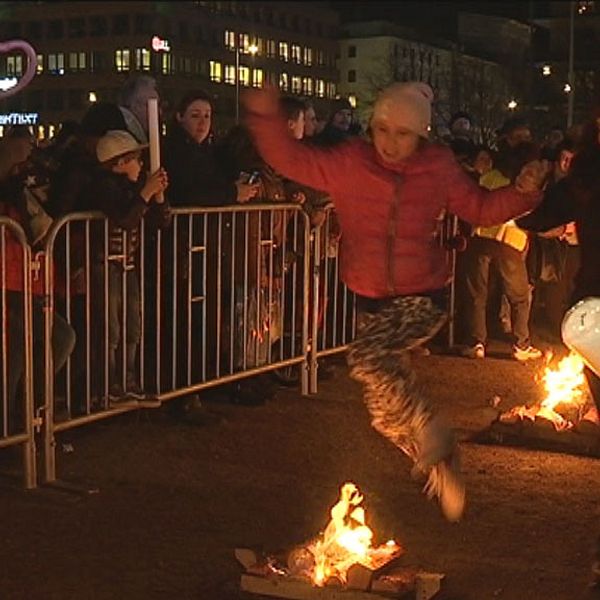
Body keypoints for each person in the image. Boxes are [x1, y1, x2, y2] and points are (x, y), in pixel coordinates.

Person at [242, 82, 546, 521]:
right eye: (382, 129)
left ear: (421, 135)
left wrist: (523, 193)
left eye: (402, 134)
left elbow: (479, 207)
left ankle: (434, 433)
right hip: (371, 299)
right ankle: (438, 463)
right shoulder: (350, 161)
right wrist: (267, 117)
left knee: (366, 359)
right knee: (383, 412)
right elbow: (293, 159)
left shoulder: (437, 167)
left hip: (423, 296)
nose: (389, 142)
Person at [88, 130, 170, 406]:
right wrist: (146, 193)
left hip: (128, 264)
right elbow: (125, 219)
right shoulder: (105, 187)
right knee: (110, 330)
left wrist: (158, 196)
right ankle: (108, 386)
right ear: (120, 163)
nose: (142, 164)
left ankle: (127, 380)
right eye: (136, 158)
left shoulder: (133, 188)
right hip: (105, 264)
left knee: (132, 327)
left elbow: (161, 222)